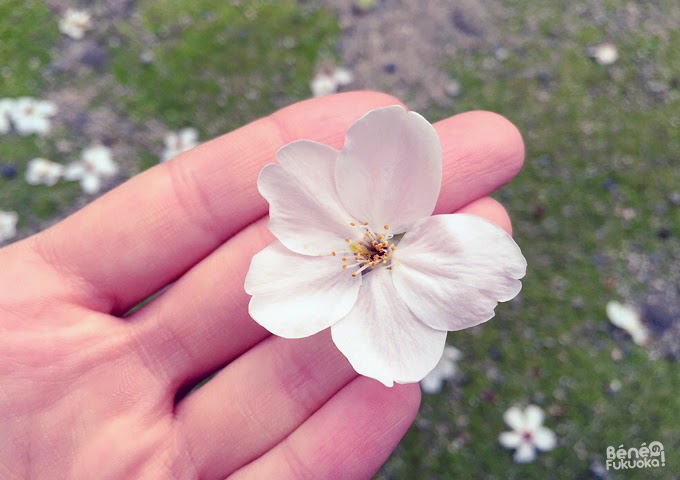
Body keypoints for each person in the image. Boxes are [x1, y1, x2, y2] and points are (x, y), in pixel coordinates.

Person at [0, 92, 524, 479]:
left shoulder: (395, 237)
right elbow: (284, 257)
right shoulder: (339, 244)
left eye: (375, 248)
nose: (373, 251)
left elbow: (451, 280)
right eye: (371, 249)